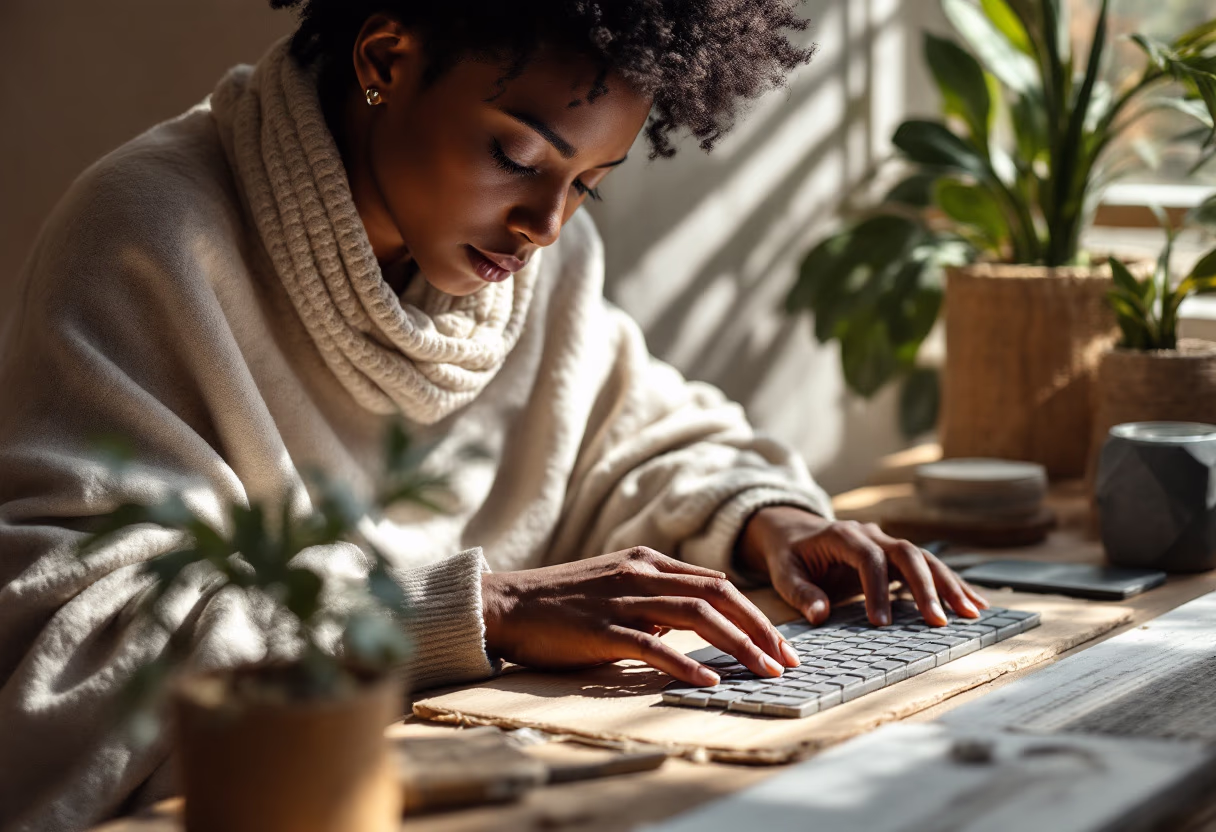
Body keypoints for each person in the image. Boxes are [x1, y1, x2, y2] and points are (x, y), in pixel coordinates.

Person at [0, 2, 987, 829]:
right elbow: (81, 641)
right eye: (517, 155)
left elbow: (630, 432)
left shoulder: (533, 267)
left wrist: (771, 519)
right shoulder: (145, 234)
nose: (544, 224)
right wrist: (481, 610)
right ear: (385, 60)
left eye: (585, 187)